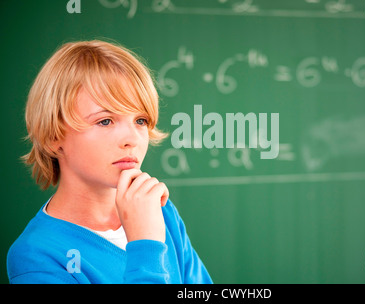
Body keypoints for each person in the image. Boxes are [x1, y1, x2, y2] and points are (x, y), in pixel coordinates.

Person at [7, 40, 212, 284]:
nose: (132, 139)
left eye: (141, 121)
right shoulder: (36, 257)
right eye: (105, 121)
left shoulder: (160, 212)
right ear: (53, 136)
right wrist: (146, 245)